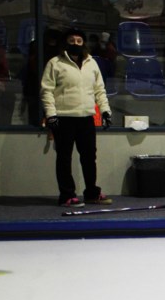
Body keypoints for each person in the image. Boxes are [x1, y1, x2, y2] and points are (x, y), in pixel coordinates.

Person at [39, 26, 113, 208]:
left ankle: (91, 193)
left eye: (79, 41)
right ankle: (67, 196)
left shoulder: (92, 64)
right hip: (63, 118)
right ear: (66, 43)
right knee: (64, 157)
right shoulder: (55, 63)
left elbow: (99, 90)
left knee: (89, 157)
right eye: (72, 41)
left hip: (86, 117)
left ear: (84, 43)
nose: (76, 44)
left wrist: (105, 111)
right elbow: (46, 91)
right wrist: (51, 115)